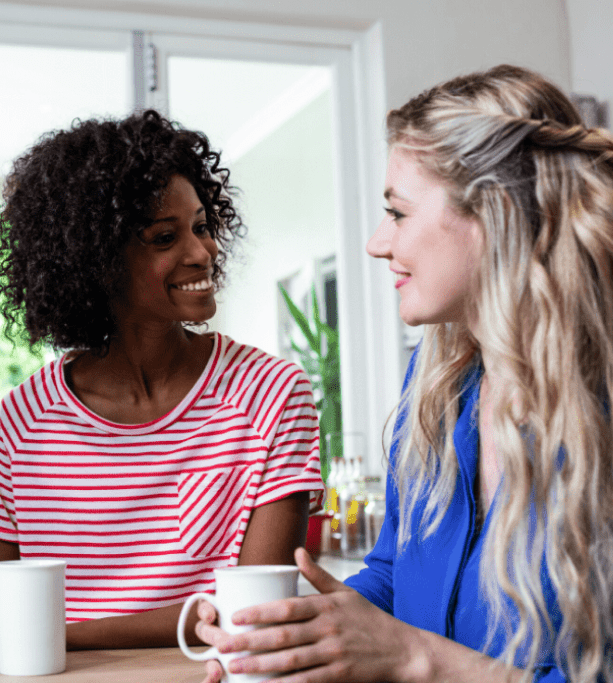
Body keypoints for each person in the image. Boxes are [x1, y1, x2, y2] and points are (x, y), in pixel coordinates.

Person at [194, 64, 613, 683]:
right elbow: (394, 573)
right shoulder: (438, 388)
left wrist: (418, 660)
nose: (376, 242)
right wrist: (292, 630)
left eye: (398, 212)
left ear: (494, 214)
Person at [0, 110, 324, 654]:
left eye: (201, 226)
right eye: (165, 237)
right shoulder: (23, 419)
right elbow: (2, 605)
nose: (203, 252)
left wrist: (55, 635)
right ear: (95, 260)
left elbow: (255, 611)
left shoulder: (270, 393)